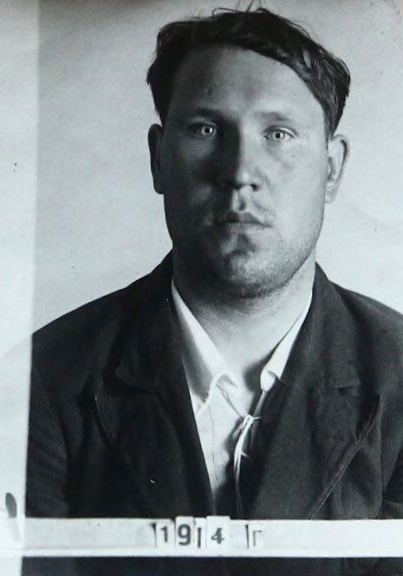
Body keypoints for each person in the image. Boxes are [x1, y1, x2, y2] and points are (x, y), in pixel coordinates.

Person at [25, 8, 403, 576]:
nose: (241, 171)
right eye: (206, 129)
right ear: (158, 158)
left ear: (331, 169)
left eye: (278, 134)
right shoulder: (45, 377)